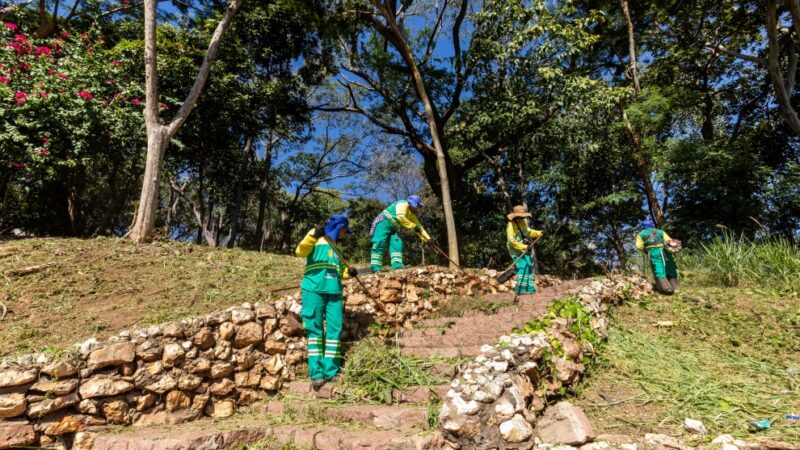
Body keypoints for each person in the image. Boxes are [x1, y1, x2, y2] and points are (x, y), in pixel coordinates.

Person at [295, 214, 358, 391]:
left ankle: (331, 371)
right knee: (314, 330)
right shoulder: (316, 237)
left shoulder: (336, 247)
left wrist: (349, 273)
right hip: (313, 289)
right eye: (345, 231)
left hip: (334, 292)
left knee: (334, 330)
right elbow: (300, 251)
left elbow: (339, 270)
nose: (345, 235)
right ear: (340, 227)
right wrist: (313, 234)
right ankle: (317, 374)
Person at [369, 195, 432, 272]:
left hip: (393, 228)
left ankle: (397, 265)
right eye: (418, 206)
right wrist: (412, 226)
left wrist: (428, 239)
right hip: (383, 222)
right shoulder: (403, 204)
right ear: (413, 204)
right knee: (379, 243)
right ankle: (375, 268)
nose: (418, 208)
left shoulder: (411, 215)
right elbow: (400, 217)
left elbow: (419, 228)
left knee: (397, 243)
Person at [506, 205, 543, 299]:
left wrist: (538, 233)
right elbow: (511, 241)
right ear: (515, 216)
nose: (521, 218)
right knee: (522, 266)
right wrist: (523, 246)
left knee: (529, 265)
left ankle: (529, 289)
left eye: (522, 217)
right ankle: (520, 289)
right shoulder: (511, 225)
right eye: (519, 217)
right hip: (515, 249)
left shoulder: (524, 222)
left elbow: (528, 231)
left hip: (524, 248)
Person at [635, 219, 679, 294]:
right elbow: (669, 240)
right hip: (665, 251)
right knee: (670, 267)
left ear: (643, 227)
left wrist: (645, 251)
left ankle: (665, 288)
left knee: (658, 267)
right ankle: (676, 287)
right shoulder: (660, 231)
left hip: (653, 251)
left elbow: (639, 246)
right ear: (652, 225)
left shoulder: (640, 234)